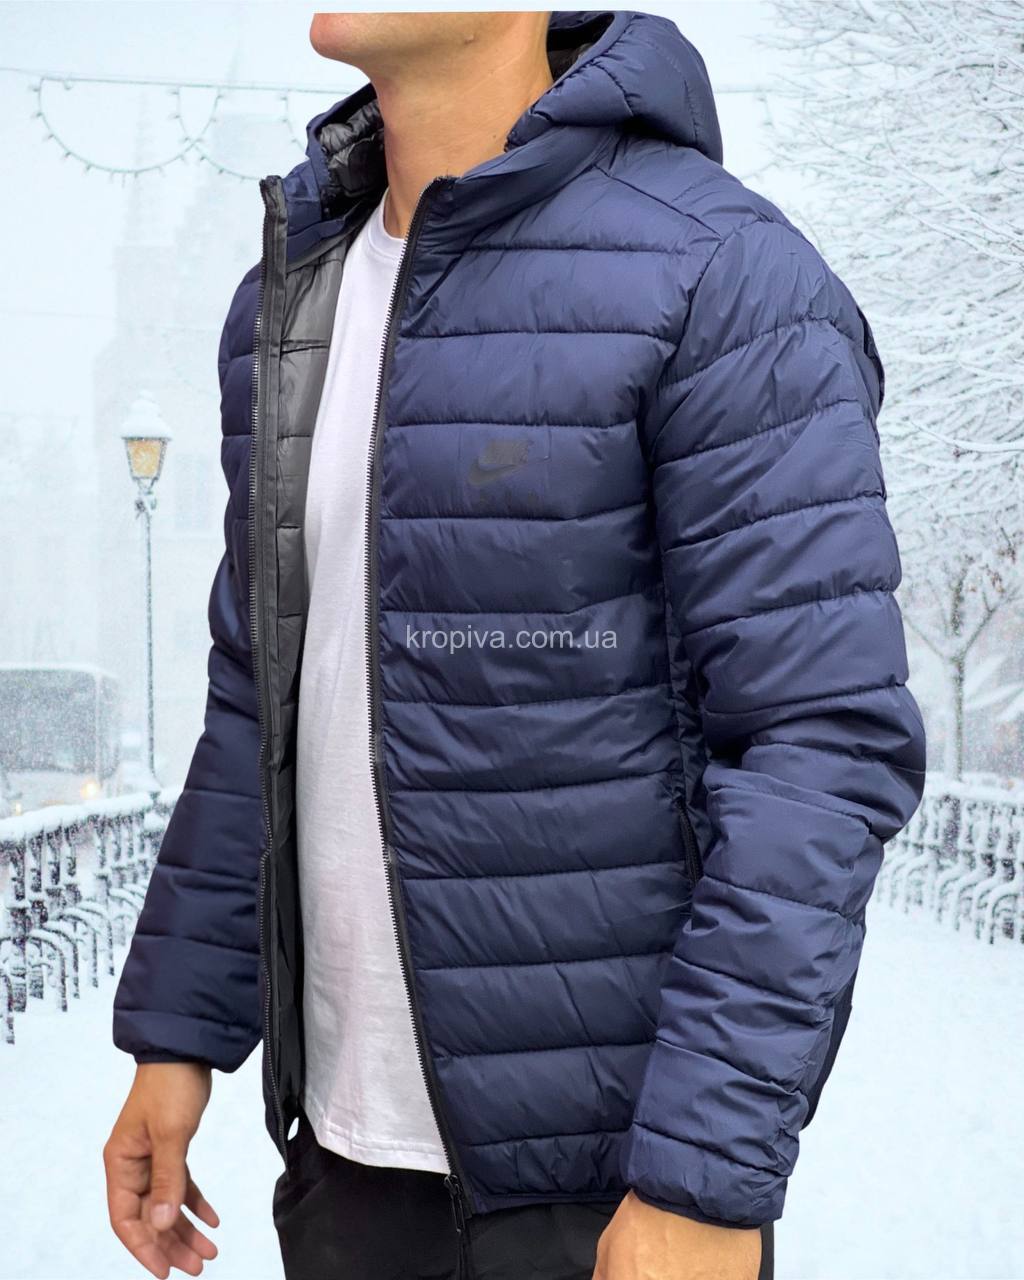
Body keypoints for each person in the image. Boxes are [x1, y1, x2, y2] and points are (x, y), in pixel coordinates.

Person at [103, 11, 926, 1280]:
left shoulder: (717, 272)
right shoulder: (289, 297)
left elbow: (818, 743)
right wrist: (177, 1035)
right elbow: (260, 694)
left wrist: (700, 1175)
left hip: (604, 1196)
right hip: (342, 1171)